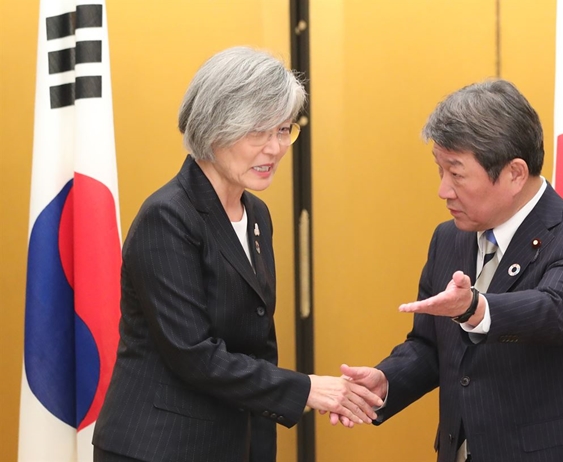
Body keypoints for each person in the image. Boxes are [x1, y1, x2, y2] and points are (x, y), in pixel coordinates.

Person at [92, 47, 382, 462]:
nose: (275, 148)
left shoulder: (256, 214)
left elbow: (254, 339)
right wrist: (307, 389)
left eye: (284, 130)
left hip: (235, 440)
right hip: (159, 446)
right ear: (213, 129)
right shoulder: (168, 216)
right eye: (257, 132)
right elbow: (193, 354)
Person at [330, 79, 563, 461]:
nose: (443, 190)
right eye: (440, 170)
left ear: (515, 173)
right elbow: (431, 346)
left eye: (456, 173)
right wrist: (385, 381)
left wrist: (475, 308)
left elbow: (553, 312)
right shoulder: (448, 239)